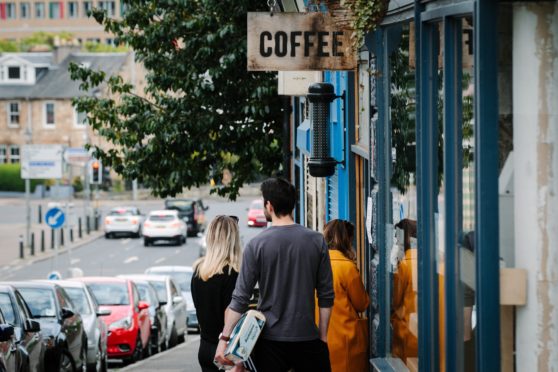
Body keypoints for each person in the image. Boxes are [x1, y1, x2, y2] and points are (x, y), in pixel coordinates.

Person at [214, 177, 334, 372]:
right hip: (307, 339)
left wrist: (224, 340)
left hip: (269, 343)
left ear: (269, 205)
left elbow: (240, 299)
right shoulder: (317, 241)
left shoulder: (256, 245)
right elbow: (326, 296)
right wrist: (322, 337)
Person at [191, 215, 242, 372]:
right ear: (233, 240)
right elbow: (231, 318)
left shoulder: (199, 272)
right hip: (225, 351)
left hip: (205, 347)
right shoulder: (232, 274)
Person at [321, 219, 369, 372]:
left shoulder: (316, 264)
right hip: (345, 343)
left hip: (319, 340)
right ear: (347, 239)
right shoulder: (347, 267)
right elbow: (362, 303)